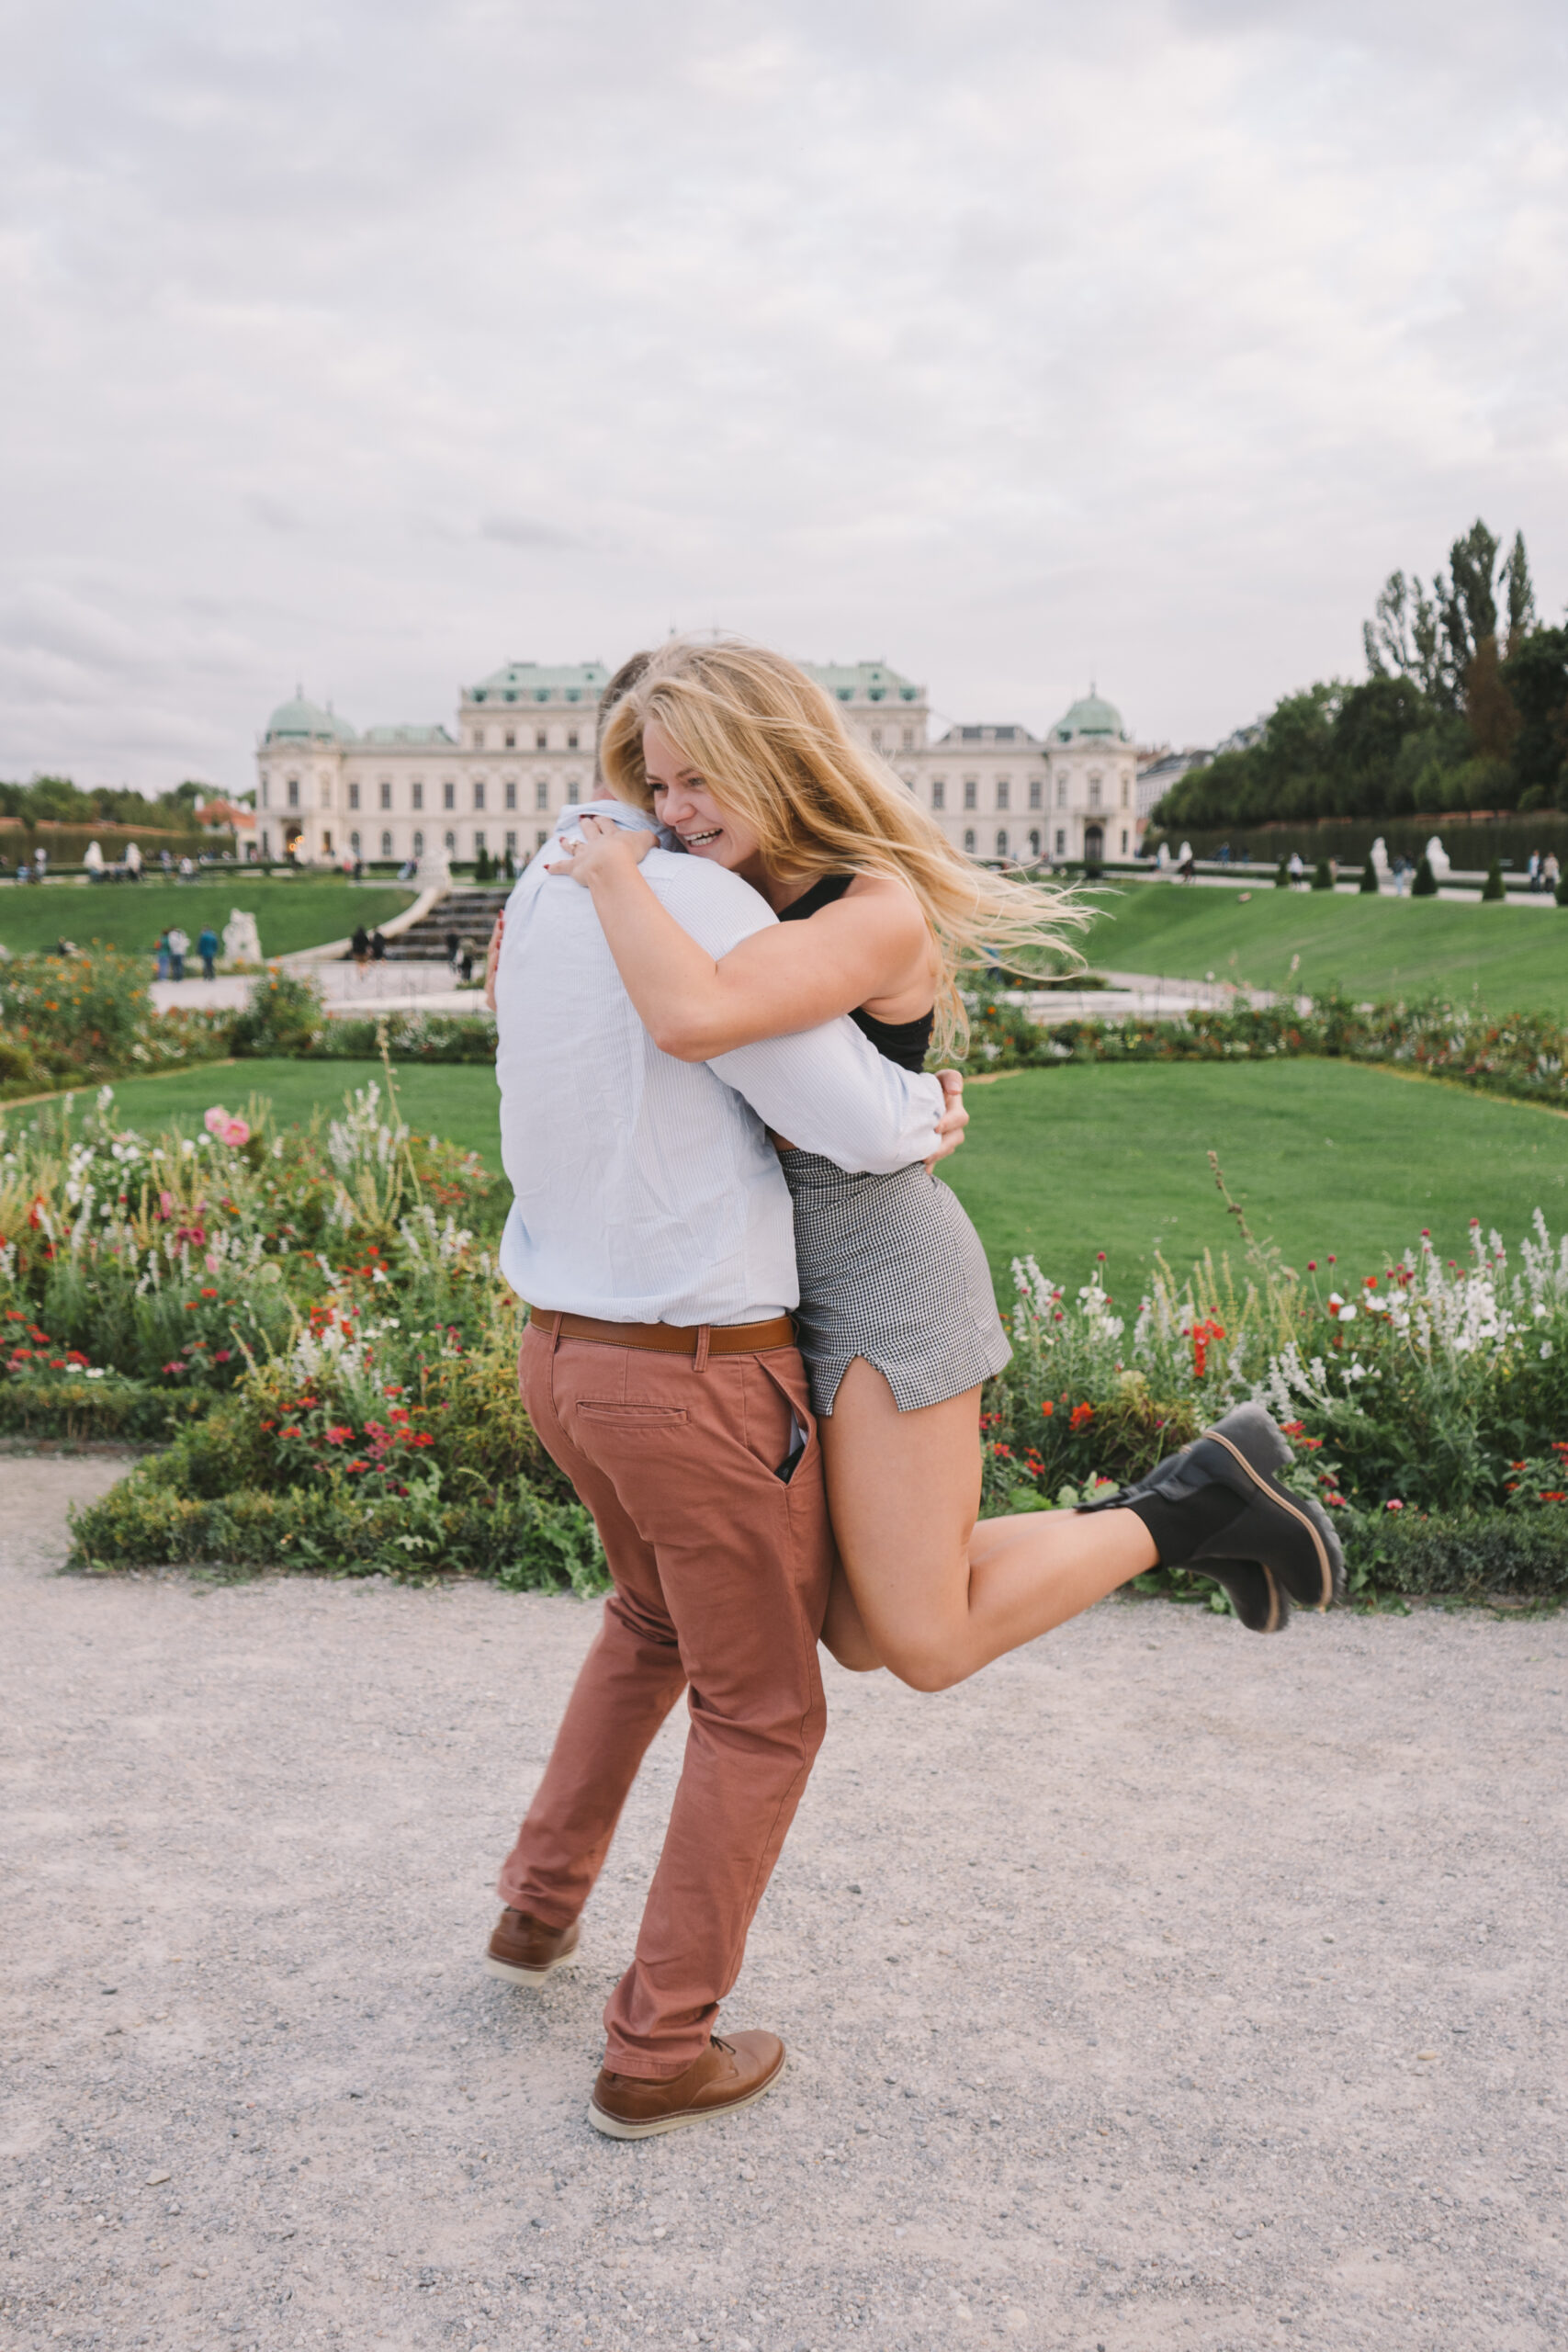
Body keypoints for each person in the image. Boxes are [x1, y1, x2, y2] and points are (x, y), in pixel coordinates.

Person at [554, 638, 1343, 1694]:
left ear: (778, 759)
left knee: (923, 1645)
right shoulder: (724, 888)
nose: (675, 807)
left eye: (701, 777)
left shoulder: (870, 906)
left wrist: (607, 871)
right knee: (856, 1627)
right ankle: (1196, 1501)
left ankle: (1189, 1506)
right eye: (657, 783)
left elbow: (692, 1016)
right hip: (776, 1282)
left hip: (884, 1279)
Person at [485, 789, 966, 2139]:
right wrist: (925, 1101)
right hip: (692, 1373)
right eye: (672, 776)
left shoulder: (544, 892)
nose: (687, 804)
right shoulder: (701, 905)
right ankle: (655, 2051)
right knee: (762, 1711)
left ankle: (536, 1907)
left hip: (563, 1353)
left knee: (646, 1622)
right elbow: (866, 1125)